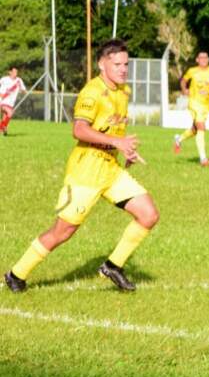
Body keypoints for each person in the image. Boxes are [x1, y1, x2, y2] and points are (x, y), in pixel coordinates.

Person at [4, 39, 159, 293]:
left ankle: (113, 266)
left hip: (110, 170)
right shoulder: (92, 92)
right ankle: (16, 274)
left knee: (148, 214)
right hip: (85, 173)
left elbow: (113, 128)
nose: (123, 69)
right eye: (117, 64)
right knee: (63, 231)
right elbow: (79, 129)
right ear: (101, 64)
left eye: (126, 64)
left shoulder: (123, 91)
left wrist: (125, 149)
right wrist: (115, 141)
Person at [173, 51, 209, 167]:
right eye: (201, 57)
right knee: (201, 126)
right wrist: (184, 90)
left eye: (205, 57)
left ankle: (179, 139)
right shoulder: (192, 71)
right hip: (194, 103)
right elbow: (183, 81)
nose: (203, 59)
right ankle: (203, 159)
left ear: (208, 59)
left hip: (206, 105)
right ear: (197, 60)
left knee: (195, 129)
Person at [0, 67, 27, 136]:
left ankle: (2, 129)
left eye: (16, 72)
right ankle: (4, 127)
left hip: (11, 103)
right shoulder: (4, 79)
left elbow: (23, 90)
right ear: (10, 72)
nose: (15, 74)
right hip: (2, 100)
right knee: (10, 112)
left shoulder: (19, 80)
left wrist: (23, 91)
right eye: (14, 72)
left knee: (5, 116)